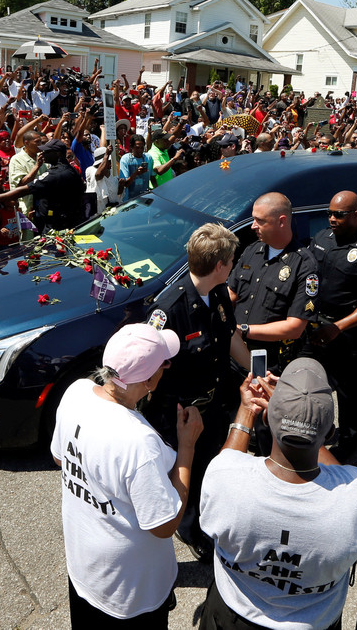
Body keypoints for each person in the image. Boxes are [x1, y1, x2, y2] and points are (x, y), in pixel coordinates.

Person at [198, 359, 357, 630]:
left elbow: (229, 460)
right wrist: (302, 422)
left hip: (232, 616)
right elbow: (342, 479)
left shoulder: (225, 475)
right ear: (330, 433)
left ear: (268, 421)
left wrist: (249, 411)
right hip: (315, 622)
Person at [50, 323, 203, 627]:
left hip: (85, 571)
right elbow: (163, 524)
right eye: (164, 363)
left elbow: (59, 457)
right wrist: (187, 446)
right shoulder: (138, 441)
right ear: (149, 379)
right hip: (130, 593)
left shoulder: (76, 391)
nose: (165, 369)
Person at [142, 223, 240, 563]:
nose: (233, 266)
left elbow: (231, 339)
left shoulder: (218, 293)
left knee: (206, 467)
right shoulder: (169, 309)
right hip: (179, 413)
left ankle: (200, 513)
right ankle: (187, 527)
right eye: (231, 261)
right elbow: (148, 367)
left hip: (214, 404)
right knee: (181, 473)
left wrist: (257, 374)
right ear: (219, 265)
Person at [304, 191, 357, 460]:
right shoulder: (322, 238)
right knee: (311, 381)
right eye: (329, 213)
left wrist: (338, 327)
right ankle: (317, 430)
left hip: (348, 332)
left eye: (338, 214)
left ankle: (350, 438)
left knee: (348, 390)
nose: (331, 219)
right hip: (315, 324)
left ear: (355, 214)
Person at [229, 192, 318, 376]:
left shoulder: (304, 265)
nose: (253, 226)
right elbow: (232, 293)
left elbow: (295, 328)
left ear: (281, 221)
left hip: (269, 363)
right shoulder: (252, 250)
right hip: (234, 352)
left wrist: (244, 331)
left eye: (260, 221)